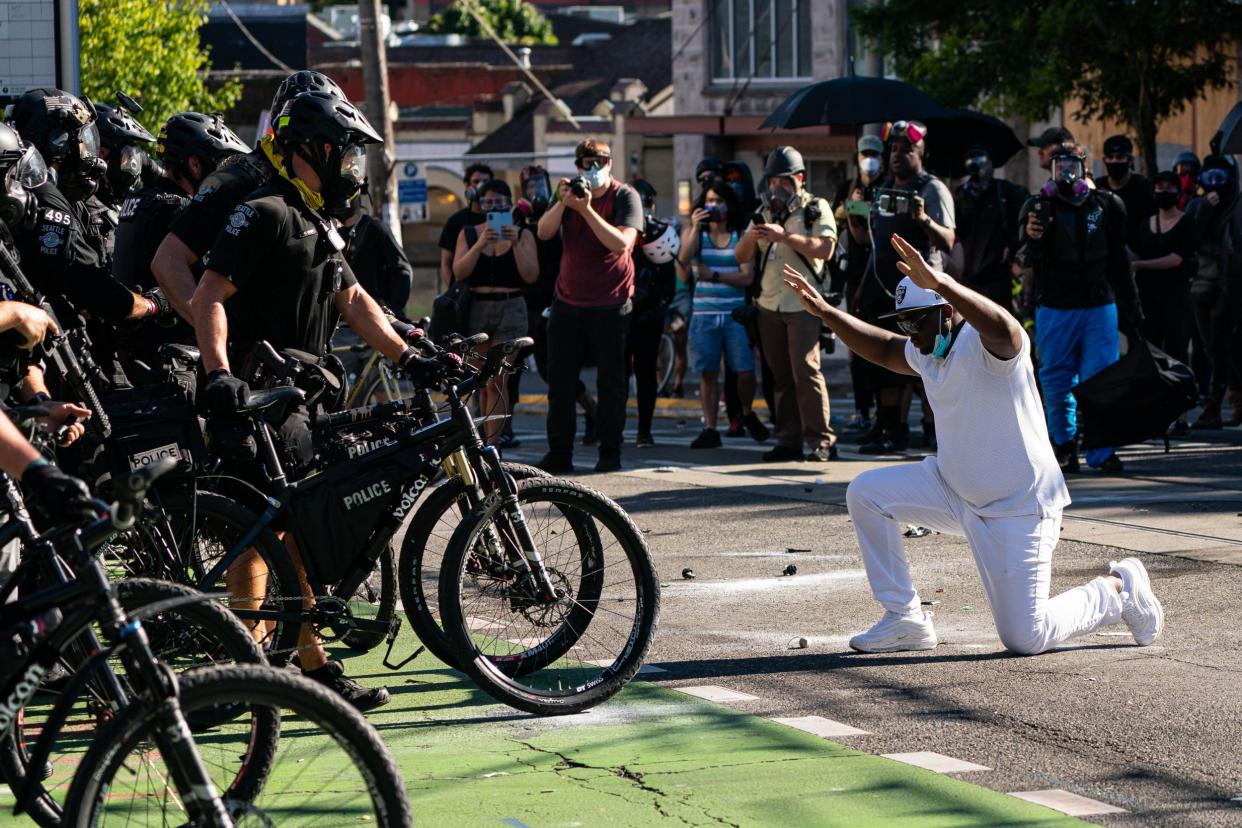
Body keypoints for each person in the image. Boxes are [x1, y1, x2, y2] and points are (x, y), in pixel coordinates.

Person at [782, 236, 1163, 655]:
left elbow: (1005, 327)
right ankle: (905, 618)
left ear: (946, 313)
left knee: (1024, 637)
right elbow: (885, 347)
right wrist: (828, 314)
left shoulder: (988, 348)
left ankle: (1119, 588)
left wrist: (941, 282)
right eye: (904, 323)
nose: (911, 335)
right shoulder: (927, 350)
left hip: (1020, 507)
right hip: (955, 490)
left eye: (917, 323)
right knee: (866, 493)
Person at [192, 90, 434, 712]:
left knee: (297, 531)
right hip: (257, 393)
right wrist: (220, 376)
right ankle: (249, 665)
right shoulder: (264, 212)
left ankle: (303, 662)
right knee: (261, 534)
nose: (353, 167)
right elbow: (209, 294)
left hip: (304, 394)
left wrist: (409, 356)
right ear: (309, 151)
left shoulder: (317, 220)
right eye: (345, 153)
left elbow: (355, 303)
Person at [154, 70, 344, 323]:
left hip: (304, 353)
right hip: (247, 355)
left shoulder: (314, 189)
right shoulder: (237, 180)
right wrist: (209, 328)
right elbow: (168, 260)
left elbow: (345, 291)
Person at [6, 89, 170, 354]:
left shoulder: (21, 191)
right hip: (45, 352)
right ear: (59, 142)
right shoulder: (48, 202)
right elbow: (99, 294)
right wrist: (155, 304)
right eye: (84, 139)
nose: (90, 153)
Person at [1019, 146, 1142, 473]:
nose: (1066, 173)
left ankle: (1103, 450)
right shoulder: (1038, 205)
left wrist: (1132, 309)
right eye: (1060, 167)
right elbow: (1025, 258)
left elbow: (1119, 260)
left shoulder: (1107, 204)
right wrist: (1033, 236)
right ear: (1051, 170)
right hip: (1056, 307)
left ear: (1086, 167)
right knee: (1057, 380)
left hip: (1099, 305)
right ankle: (1064, 446)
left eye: (1072, 165)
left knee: (1102, 380)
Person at [111, 112, 250, 375]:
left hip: (132, 346)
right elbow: (209, 284)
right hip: (169, 353)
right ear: (195, 164)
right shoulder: (179, 208)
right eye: (218, 166)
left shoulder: (138, 199)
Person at [535, 139, 643, 473]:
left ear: (610, 163)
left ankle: (610, 452)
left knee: (611, 384)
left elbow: (622, 244)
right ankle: (560, 453)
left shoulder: (625, 196)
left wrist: (586, 210)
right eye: (584, 163)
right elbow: (543, 231)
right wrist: (563, 202)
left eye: (597, 162)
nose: (590, 169)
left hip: (611, 304)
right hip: (568, 302)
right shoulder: (571, 197)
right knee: (560, 384)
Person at [854, 121, 955, 454]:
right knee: (887, 365)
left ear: (920, 152)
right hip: (884, 287)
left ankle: (934, 430)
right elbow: (868, 240)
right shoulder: (882, 187)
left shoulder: (932, 189)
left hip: (923, 291)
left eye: (905, 150)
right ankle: (889, 427)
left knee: (929, 362)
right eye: (893, 150)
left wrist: (924, 219)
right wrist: (854, 213)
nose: (897, 156)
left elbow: (949, 241)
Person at [735, 146, 837, 462]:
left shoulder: (815, 208)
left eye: (783, 181)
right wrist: (753, 236)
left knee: (806, 371)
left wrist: (785, 237)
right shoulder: (763, 213)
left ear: (799, 180)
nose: (776, 188)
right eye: (772, 181)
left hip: (802, 303)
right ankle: (788, 440)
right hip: (770, 304)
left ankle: (822, 441)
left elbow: (825, 249)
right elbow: (740, 257)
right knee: (780, 375)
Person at [679, 178, 766, 448]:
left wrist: (714, 275)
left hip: (734, 314)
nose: (714, 206)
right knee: (707, 372)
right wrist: (695, 226)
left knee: (745, 370)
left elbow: (746, 277)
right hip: (704, 313)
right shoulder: (698, 235)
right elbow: (683, 261)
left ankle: (746, 411)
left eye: (719, 201)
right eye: (710, 200)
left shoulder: (740, 236)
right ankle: (710, 427)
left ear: (730, 205)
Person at [451, 179, 538, 444]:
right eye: (488, 203)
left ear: (510, 205)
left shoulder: (522, 234)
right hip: (477, 308)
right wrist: (479, 244)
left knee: (496, 381)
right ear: (481, 206)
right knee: (479, 380)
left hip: (511, 307)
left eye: (500, 203)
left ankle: (493, 444)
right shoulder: (468, 233)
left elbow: (531, 275)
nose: (494, 207)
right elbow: (459, 272)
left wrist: (514, 245)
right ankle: (480, 438)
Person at [1185, 154, 1242, 429]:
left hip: (1230, 286)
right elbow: (1189, 240)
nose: (1215, 185)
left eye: (1221, 178)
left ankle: (1215, 405)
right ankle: (1230, 397)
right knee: (1211, 347)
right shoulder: (1198, 205)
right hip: (1201, 285)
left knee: (1222, 346)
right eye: (1210, 179)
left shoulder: (1237, 206)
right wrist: (1205, 210)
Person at [834, 134, 886, 432]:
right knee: (856, 345)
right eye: (864, 154)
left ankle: (883, 411)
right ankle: (863, 410)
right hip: (854, 276)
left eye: (873, 154)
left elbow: (871, 233)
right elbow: (837, 223)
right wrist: (846, 210)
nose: (869, 159)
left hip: (880, 273)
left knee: (882, 344)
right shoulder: (849, 188)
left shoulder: (886, 188)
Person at [628, 180, 677, 447]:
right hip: (622, 311)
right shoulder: (620, 230)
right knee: (615, 372)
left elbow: (668, 279)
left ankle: (643, 429)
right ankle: (607, 427)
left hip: (648, 315)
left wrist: (659, 310)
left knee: (645, 371)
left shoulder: (661, 234)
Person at [953, 145, 1027, 312]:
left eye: (981, 160)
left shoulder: (1005, 192)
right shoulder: (962, 194)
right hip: (969, 275)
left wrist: (1012, 245)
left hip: (997, 275)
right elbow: (955, 231)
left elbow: (1023, 219)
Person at [438, 163, 493, 292]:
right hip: (466, 293)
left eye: (486, 182)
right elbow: (446, 263)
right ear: (467, 186)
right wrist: (454, 292)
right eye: (476, 181)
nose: (481, 185)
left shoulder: (499, 218)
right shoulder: (456, 221)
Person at [1096, 135, 1156, 250]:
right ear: (1104, 160)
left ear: (1130, 160)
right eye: (1110, 157)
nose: (1114, 161)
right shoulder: (1098, 187)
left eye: (1120, 157)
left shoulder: (1143, 187)